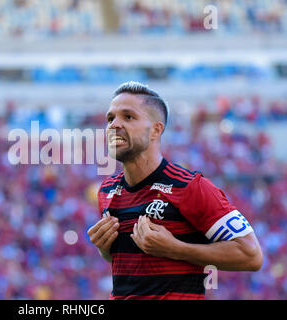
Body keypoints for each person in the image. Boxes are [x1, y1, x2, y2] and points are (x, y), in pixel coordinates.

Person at [87, 81, 263, 300]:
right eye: (110, 118)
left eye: (128, 117)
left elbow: (251, 255)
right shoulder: (107, 190)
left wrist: (176, 248)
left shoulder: (190, 187)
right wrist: (105, 249)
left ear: (156, 129)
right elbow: (130, 261)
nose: (114, 125)